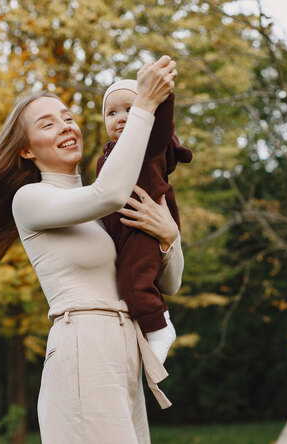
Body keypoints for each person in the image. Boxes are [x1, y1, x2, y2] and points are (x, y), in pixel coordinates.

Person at [0, 56, 183, 444]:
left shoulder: (98, 204)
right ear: (27, 151)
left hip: (123, 349)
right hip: (84, 345)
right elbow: (109, 192)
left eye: (67, 117)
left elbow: (172, 282)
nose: (65, 126)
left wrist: (169, 238)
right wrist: (144, 105)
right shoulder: (32, 199)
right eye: (48, 124)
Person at [97, 79, 192, 364]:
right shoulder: (109, 155)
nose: (121, 117)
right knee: (131, 279)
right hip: (125, 229)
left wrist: (161, 94)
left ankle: (160, 327)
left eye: (130, 109)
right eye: (111, 113)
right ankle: (153, 326)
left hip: (143, 227)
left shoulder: (147, 147)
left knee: (134, 281)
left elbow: (162, 128)